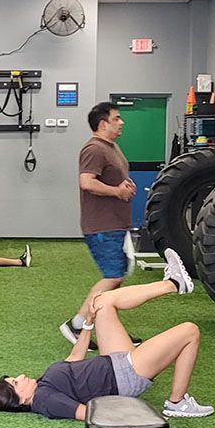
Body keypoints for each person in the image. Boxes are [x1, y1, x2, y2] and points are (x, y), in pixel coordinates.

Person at [0, 248, 213, 420]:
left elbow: (74, 358)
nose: (21, 376)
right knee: (189, 331)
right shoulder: (45, 401)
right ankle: (177, 403)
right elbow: (88, 413)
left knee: (102, 302)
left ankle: (174, 284)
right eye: (16, 382)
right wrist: (132, 416)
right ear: (21, 399)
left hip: (114, 361)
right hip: (125, 375)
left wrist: (89, 324)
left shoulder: (44, 385)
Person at [60, 102, 139, 348]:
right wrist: (117, 191)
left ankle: (108, 329)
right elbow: (87, 182)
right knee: (113, 276)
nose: (121, 122)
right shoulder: (94, 149)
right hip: (102, 226)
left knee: (117, 277)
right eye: (116, 118)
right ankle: (77, 324)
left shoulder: (112, 147)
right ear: (103, 124)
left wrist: (126, 186)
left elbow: (113, 179)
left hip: (115, 224)